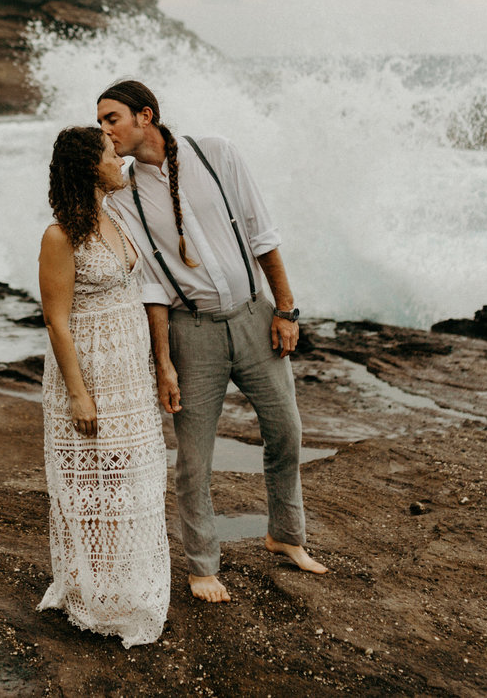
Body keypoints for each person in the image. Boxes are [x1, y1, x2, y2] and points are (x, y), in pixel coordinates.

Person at [96, 80, 327, 604]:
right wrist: (164, 363)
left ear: (145, 116)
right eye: (101, 122)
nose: (105, 130)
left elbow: (262, 234)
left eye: (112, 118)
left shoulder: (217, 152)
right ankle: (202, 565)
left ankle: (285, 535)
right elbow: (151, 283)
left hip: (254, 316)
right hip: (191, 332)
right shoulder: (124, 195)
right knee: (194, 461)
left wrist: (286, 309)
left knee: (286, 432)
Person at [36, 125, 170, 647]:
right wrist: (77, 393)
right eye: (113, 153)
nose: (121, 157)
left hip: (128, 373)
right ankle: (94, 595)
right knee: (93, 487)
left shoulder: (113, 216)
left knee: (131, 481)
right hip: (89, 372)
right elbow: (56, 321)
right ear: (90, 166)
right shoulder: (59, 236)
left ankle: (128, 588)